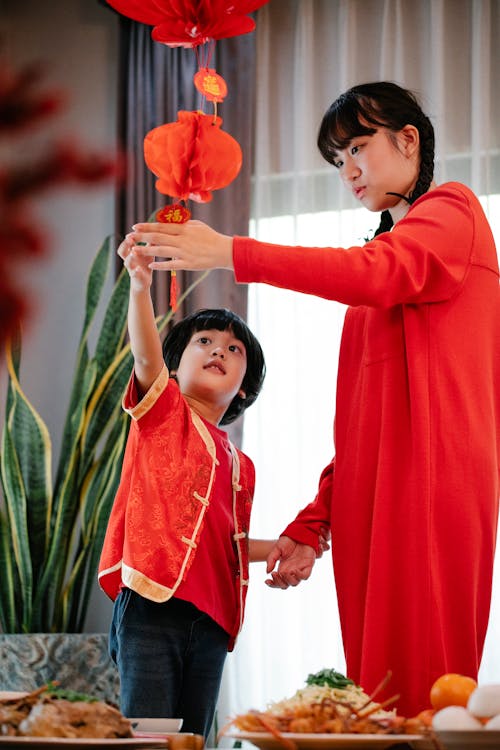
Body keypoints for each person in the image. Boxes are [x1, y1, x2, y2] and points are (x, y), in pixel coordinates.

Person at [121, 81, 500, 718]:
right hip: (375, 499)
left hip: (432, 486)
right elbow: (364, 430)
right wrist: (317, 519)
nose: (348, 170)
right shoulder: (384, 262)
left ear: (408, 141)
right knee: (379, 698)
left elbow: (376, 272)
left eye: (357, 147)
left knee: (425, 699)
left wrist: (231, 252)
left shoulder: (452, 211)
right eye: (337, 159)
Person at [98, 233, 281, 739]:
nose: (218, 349)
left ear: (244, 385)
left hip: (214, 621)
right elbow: (143, 359)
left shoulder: (241, 463)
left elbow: (230, 546)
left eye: (233, 348)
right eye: (204, 341)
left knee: (192, 739)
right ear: (174, 367)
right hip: (152, 608)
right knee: (151, 736)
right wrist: (140, 287)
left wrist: (285, 546)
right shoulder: (163, 413)